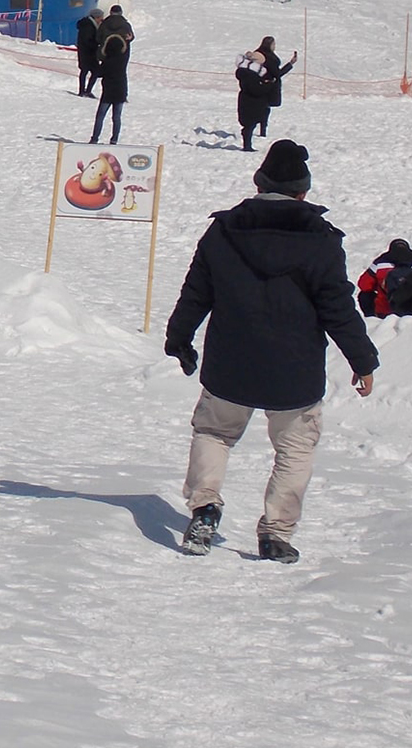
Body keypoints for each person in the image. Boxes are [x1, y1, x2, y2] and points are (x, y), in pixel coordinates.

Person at [164, 139, 379, 564]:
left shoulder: (224, 230)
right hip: (294, 370)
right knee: (295, 448)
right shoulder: (320, 240)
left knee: (214, 433)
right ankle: (277, 532)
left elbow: (196, 292)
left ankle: (205, 507)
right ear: (304, 192)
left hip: (230, 362)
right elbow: (337, 306)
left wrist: (179, 337)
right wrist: (363, 360)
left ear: (258, 182)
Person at [91, 5, 133, 144]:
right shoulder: (125, 24)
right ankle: (114, 140)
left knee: (101, 115)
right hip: (120, 90)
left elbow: (98, 38)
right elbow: (130, 37)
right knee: (117, 117)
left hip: (107, 92)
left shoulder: (105, 24)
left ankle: (94, 138)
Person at [356, 238, 412, 318]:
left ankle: (372, 320)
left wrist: (380, 285)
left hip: (385, 311)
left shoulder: (380, 262)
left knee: (364, 295)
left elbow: (363, 285)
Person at [257, 36, 297, 135]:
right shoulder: (269, 58)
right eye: (273, 44)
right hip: (269, 86)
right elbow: (277, 73)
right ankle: (262, 130)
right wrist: (290, 64)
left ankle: (261, 129)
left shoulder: (259, 54)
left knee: (263, 107)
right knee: (265, 108)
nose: (275, 46)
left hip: (260, 85)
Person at [235, 50, 271, 152]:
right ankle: (247, 146)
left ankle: (247, 145)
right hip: (251, 101)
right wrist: (267, 86)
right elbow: (255, 89)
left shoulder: (246, 73)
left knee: (250, 124)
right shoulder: (251, 75)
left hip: (247, 100)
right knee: (249, 125)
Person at [74, 9, 102, 97]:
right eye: (100, 18)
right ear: (96, 17)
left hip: (85, 52)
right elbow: (87, 40)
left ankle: (83, 90)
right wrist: (96, 45)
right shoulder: (88, 26)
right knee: (94, 71)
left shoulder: (87, 24)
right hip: (88, 52)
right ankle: (85, 91)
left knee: (85, 71)